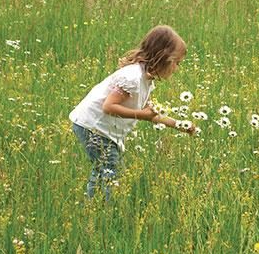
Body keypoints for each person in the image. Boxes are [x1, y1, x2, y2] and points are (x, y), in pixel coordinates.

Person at [69, 25, 195, 200]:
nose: (177, 68)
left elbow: (150, 114)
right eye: (177, 63)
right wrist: (142, 115)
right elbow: (109, 106)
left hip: (100, 128)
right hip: (93, 127)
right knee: (110, 170)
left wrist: (178, 124)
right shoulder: (133, 78)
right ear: (163, 58)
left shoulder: (146, 80)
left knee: (104, 170)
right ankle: (103, 208)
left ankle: (93, 207)